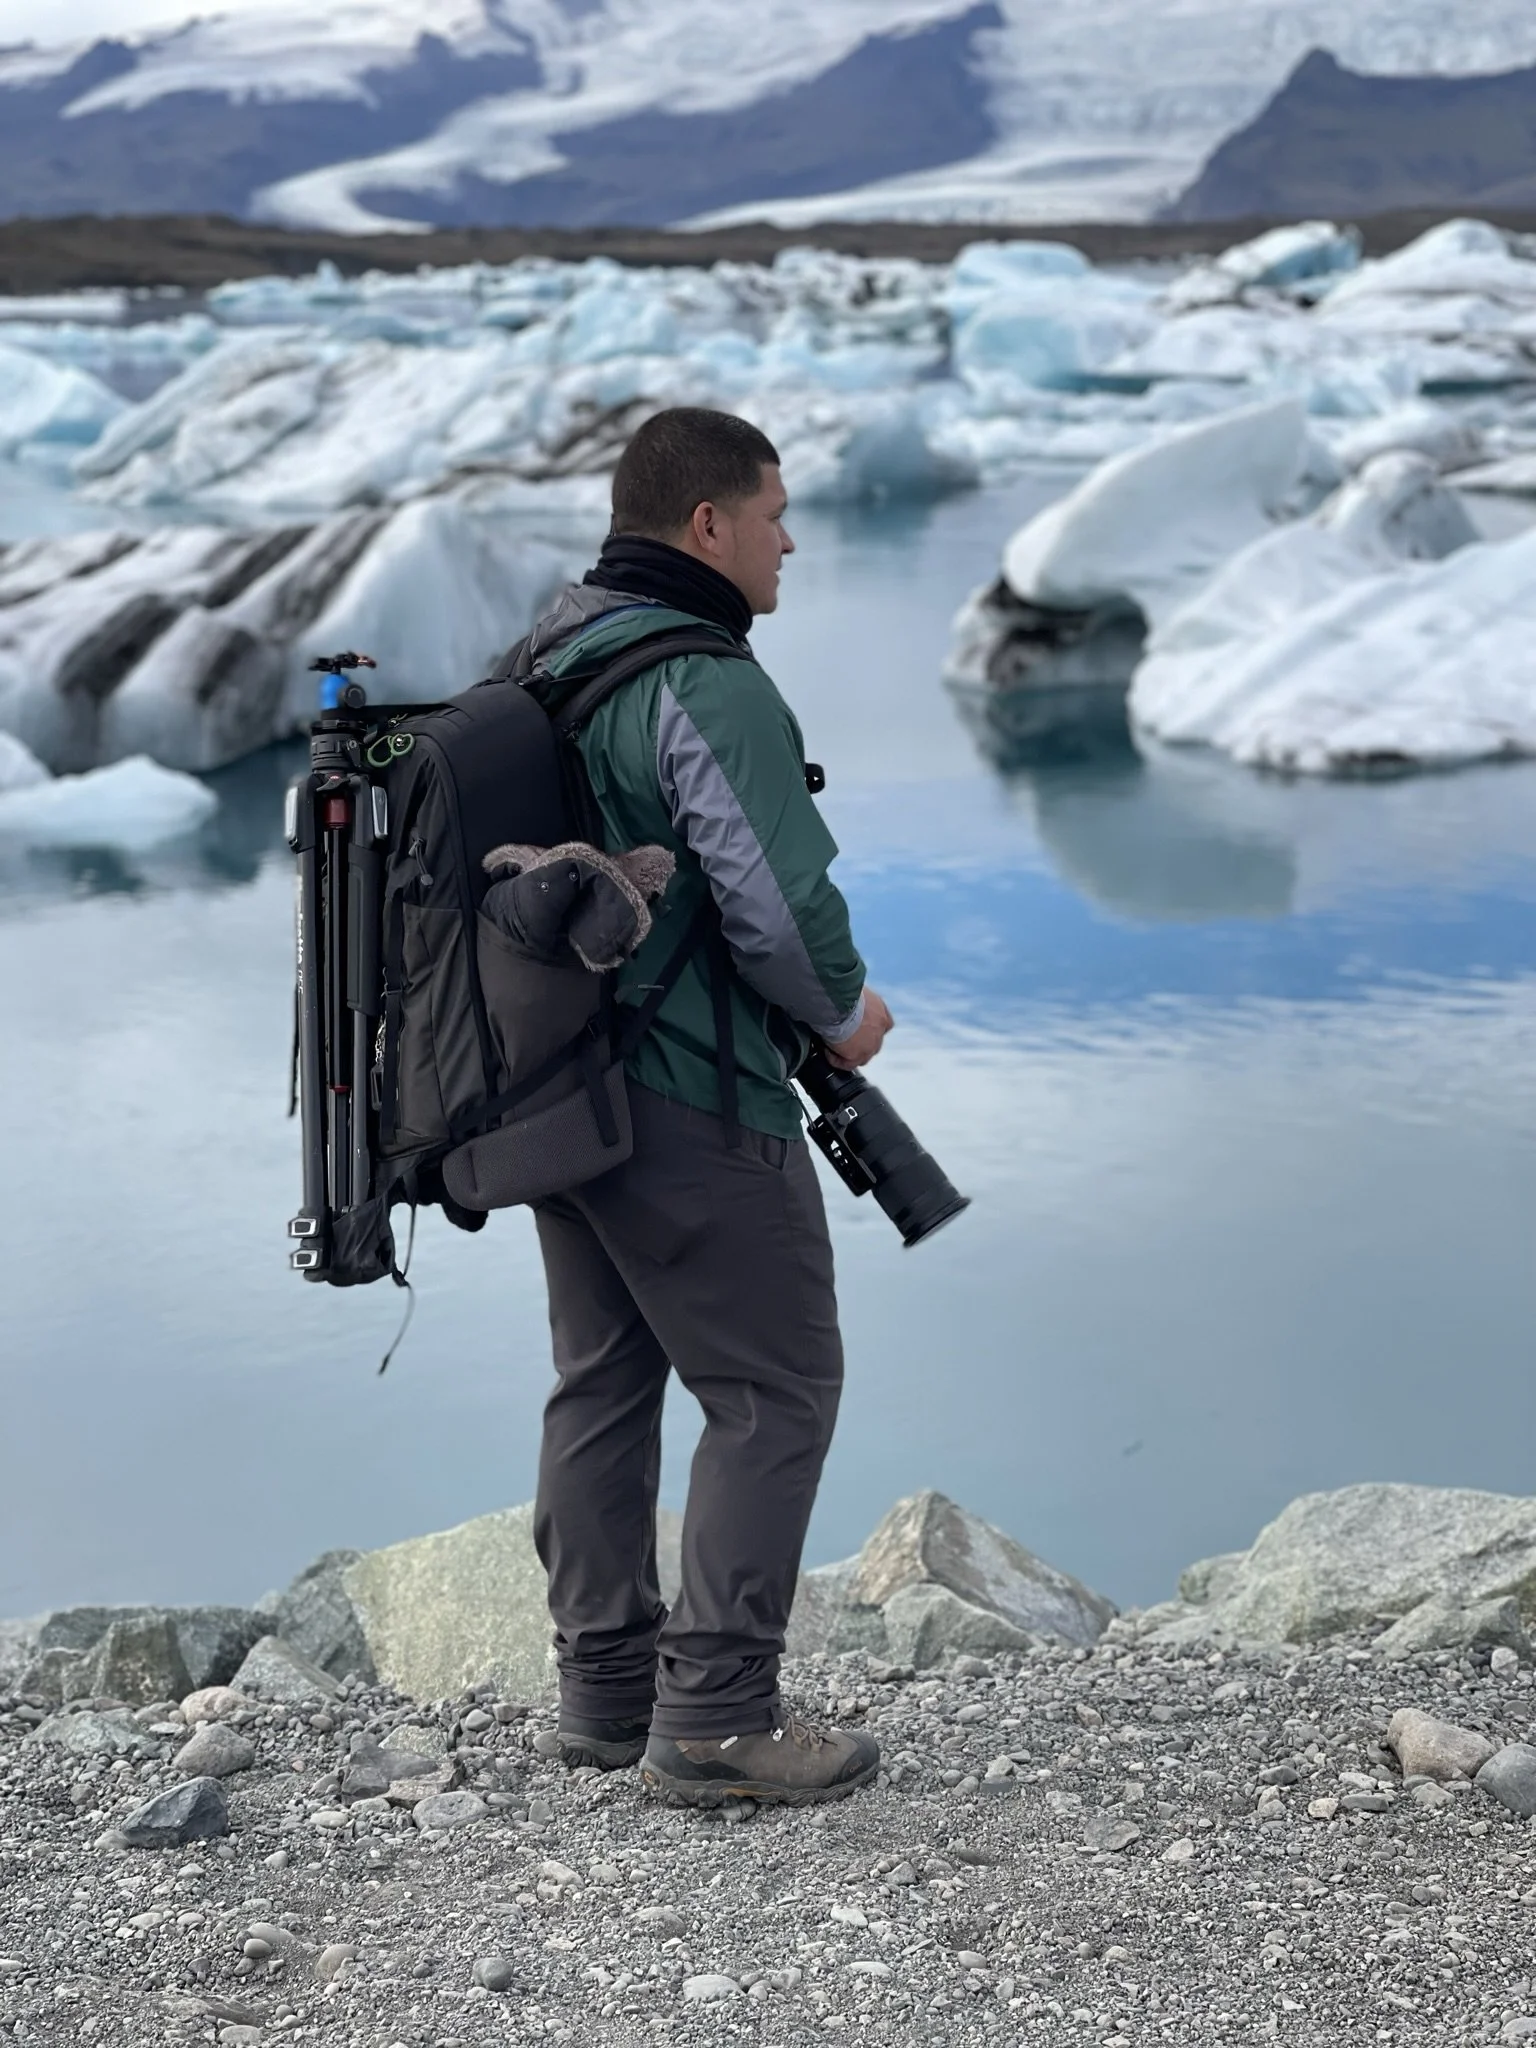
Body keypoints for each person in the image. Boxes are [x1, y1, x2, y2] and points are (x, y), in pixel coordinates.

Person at [524, 406, 894, 1806]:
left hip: (564, 1092)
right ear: (706, 527)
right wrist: (846, 1014)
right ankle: (721, 1718)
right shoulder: (705, 681)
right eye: (775, 513)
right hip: (692, 1089)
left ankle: (608, 1689)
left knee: (605, 1377)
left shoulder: (555, 653)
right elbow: (778, 908)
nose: (791, 538)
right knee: (774, 1387)